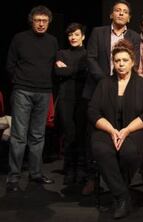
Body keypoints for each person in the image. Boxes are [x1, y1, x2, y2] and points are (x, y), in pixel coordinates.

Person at [88, 39, 143, 219]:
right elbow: (93, 111)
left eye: (125, 60)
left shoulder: (142, 83)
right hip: (107, 129)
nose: (121, 64)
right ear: (113, 63)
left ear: (132, 62)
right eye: (117, 61)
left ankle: (119, 193)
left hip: (134, 130)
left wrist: (125, 131)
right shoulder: (104, 83)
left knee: (129, 153)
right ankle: (123, 196)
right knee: (102, 150)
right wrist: (111, 130)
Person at [81, 0, 140, 195]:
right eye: (117, 10)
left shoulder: (133, 36)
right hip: (99, 87)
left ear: (129, 17)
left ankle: (118, 180)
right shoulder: (98, 32)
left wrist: (118, 82)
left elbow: (135, 61)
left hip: (123, 91)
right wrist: (106, 81)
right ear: (111, 14)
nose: (121, 14)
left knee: (120, 135)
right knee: (94, 136)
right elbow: (90, 58)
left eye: (125, 12)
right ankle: (92, 178)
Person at [6, 5, 58, 192]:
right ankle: (13, 177)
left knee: (38, 136)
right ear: (32, 21)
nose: (41, 24)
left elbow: (54, 66)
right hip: (23, 91)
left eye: (44, 21)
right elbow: (10, 64)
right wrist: (19, 82)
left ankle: (35, 173)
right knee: (19, 136)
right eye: (38, 20)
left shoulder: (52, 41)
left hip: (44, 92)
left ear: (49, 22)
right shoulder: (19, 38)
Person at [55, 23, 88, 185]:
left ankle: (81, 169)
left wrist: (69, 69)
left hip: (82, 99)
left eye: (76, 34)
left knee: (81, 135)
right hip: (65, 99)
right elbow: (58, 72)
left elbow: (86, 72)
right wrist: (77, 69)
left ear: (83, 36)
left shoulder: (88, 55)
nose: (73, 38)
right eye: (70, 35)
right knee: (69, 134)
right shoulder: (62, 53)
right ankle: (69, 169)